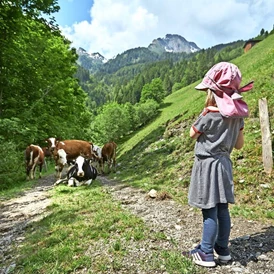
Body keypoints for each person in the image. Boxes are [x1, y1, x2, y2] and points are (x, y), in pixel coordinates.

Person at [183, 62, 254, 267]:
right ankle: (222, 250)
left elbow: (192, 134)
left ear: (213, 91)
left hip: (207, 165)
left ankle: (206, 252)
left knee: (209, 209)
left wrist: (204, 116)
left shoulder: (208, 114)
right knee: (222, 209)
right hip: (224, 165)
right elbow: (239, 145)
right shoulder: (237, 118)